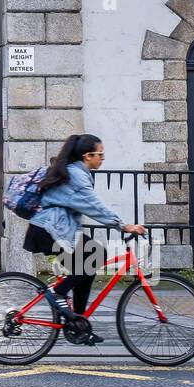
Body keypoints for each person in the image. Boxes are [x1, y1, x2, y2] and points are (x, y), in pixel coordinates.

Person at [25, 133, 145, 345]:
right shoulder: (77, 177)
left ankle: (78, 324)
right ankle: (57, 292)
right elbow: (95, 206)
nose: (103, 158)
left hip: (54, 230)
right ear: (87, 156)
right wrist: (123, 225)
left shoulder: (76, 173)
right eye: (100, 154)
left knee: (90, 261)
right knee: (97, 255)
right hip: (48, 231)